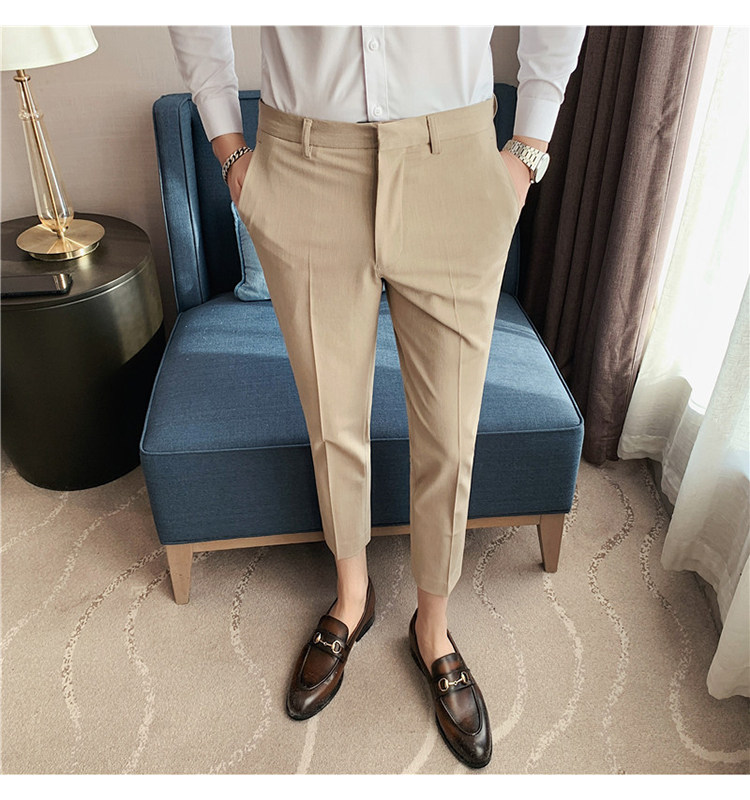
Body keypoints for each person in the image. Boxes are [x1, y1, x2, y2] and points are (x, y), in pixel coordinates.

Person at [169, 25, 585, 769]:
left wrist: (527, 150)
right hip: (304, 164)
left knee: (450, 432)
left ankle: (434, 625)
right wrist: (231, 150)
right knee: (331, 419)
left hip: (453, 162)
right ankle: (351, 596)